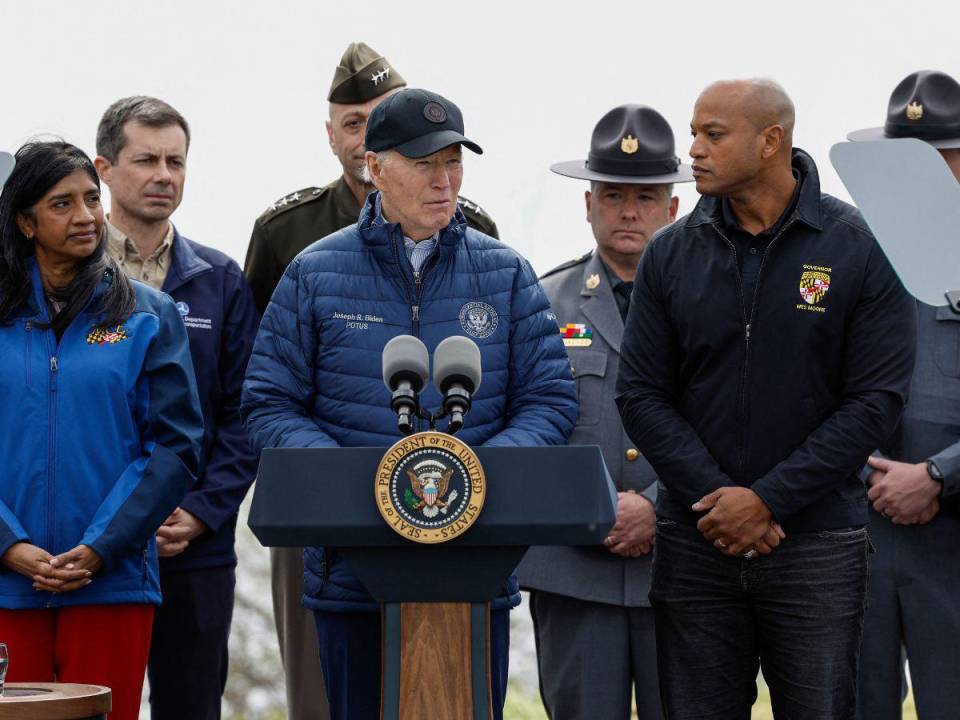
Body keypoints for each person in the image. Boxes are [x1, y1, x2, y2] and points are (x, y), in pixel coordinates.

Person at [241, 87, 576, 720]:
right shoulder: (313, 272)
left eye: (454, 162)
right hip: (352, 575)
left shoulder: (505, 273)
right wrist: (358, 486)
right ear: (376, 167)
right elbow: (268, 404)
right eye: (425, 164)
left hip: (475, 569)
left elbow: (549, 400)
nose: (444, 181)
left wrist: (471, 481)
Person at [615, 79, 917, 719]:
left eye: (712, 134)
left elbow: (874, 401)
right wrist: (719, 504)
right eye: (693, 131)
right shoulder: (670, 253)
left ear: (771, 141)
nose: (692, 149)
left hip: (815, 550)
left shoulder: (857, 246)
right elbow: (641, 393)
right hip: (699, 544)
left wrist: (769, 500)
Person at [0, 140, 203, 720]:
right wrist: (9, 546)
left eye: (91, 198)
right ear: (25, 221)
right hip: (7, 583)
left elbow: (175, 445)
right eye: (61, 204)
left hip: (111, 581)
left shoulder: (148, 313)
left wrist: (100, 548)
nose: (86, 216)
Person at [518, 104, 692, 719]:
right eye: (613, 195)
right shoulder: (539, 303)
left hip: (684, 567)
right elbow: (523, 429)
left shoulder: (716, 304)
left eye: (646, 196)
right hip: (573, 572)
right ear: (586, 204)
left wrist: (658, 505)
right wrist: (593, 508)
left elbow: (735, 425)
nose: (628, 211)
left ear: (673, 208)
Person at [93, 96, 260, 720]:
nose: (165, 174)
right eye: (147, 160)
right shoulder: (66, 274)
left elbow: (246, 413)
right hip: (88, 544)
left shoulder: (219, 279)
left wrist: (200, 511)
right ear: (104, 168)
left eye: (177, 161)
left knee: (191, 707)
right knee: (90, 702)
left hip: (192, 548)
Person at [847, 70, 960, 720]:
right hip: (858, 538)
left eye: (938, 158)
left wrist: (940, 475)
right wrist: (864, 464)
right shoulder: (847, 250)